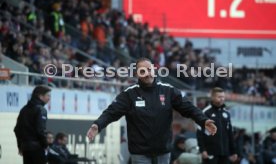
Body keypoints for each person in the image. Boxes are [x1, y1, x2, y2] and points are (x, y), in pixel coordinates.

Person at [87, 58, 217, 164]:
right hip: (140, 153)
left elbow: (189, 108)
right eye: (142, 71)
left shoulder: (168, 90)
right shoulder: (129, 94)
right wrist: (98, 125)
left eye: (149, 69)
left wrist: (203, 121)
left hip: (163, 152)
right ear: (137, 74)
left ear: (154, 70)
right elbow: (111, 112)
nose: (147, 73)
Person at [197, 87, 237, 164]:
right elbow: (199, 133)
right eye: (219, 97)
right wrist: (202, 150)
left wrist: (233, 151)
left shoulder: (226, 113)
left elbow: (230, 134)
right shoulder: (205, 112)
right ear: (212, 97)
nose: (222, 99)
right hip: (210, 152)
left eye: (223, 97)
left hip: (225, 153)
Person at [14, 85, 51, 164]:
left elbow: (17, 129)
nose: (49, 98)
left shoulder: (24, 109)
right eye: (48, 95)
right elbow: (40, 131)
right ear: (40, 96)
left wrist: (20, 146)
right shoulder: (41, 109)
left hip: (26, 148)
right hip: (37, 148)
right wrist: (45, 145)